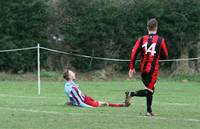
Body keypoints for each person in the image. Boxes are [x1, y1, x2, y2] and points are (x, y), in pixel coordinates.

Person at [125, 18, 168, 116]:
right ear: (156, 27)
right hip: (152, 70)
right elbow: (165, 54)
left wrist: (131, 67)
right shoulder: (161, 40)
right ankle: (131, 94)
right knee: (149, 90)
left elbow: (134, 52)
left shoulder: (141, 39)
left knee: (150, 89)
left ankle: (149, 111)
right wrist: (157, 56)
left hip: (143, 69)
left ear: (147, 28)